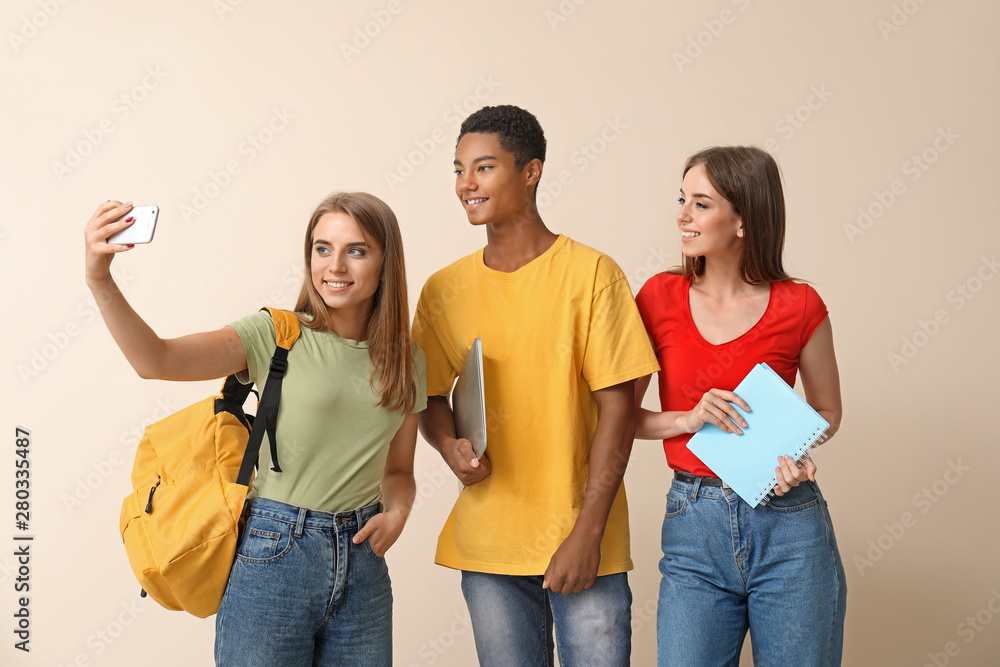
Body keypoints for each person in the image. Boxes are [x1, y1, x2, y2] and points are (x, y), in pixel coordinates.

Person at [83, 192, 426, 666]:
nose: (335, 265)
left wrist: (398, 514)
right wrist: (99, 278)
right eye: (322, 248)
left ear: (386, 263)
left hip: (363, 565)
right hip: (275, 553)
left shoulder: (407, 361)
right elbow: (155, 359)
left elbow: (400, 470)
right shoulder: (276, 334)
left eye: (357, 250)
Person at [411, 105, 660, 666]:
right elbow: (426, 396)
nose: (465, 184)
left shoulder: (593, 275)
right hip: (490, 545)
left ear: (531, 171)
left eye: (483, 167)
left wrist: (587, 533)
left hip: (583, 538)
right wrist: (449, 445)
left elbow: (619, 413)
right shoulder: (443, 289)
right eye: (457, 170)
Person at [633, 146, 847, 666]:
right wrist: (688, 418)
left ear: (744, 219)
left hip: (791, 528)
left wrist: (794, 451)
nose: (683, 215)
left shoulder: (800, 304)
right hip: (693, 525)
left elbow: (827, 413)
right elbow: (621, 418)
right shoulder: (658, 297)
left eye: (701, 203)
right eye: (681, 199)